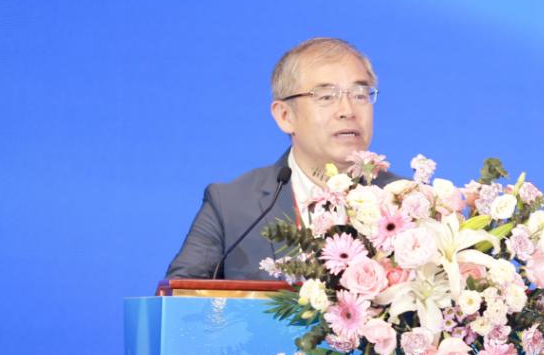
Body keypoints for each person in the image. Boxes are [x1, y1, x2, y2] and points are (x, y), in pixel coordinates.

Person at [165, 37, 401, 280]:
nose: (348, 111)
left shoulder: (407, 203)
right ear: (285, 116)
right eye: (326, 96)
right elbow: (179, 295)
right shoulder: (231, 206)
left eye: (360, 94)